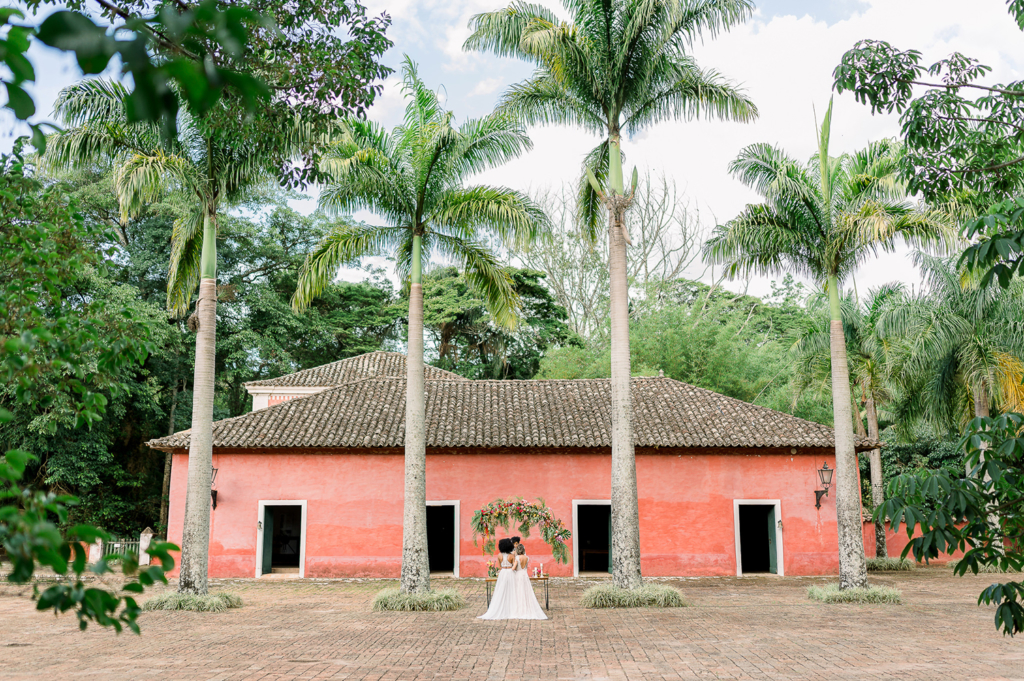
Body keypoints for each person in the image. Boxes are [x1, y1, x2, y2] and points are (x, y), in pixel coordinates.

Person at [477, 538, 517, 620]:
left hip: (503, 572)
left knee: (502, 589)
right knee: (511, 589)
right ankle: (511, 608)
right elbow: (514, 566)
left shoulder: (499, 555)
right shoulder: (512, 556)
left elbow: (499, 567)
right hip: (510, 572)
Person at [510, 542, 547, 619]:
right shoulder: (527, 558)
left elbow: (513, 568)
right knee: (526, 591)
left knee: (518, 592)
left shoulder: (517, 558)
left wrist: (509, 569)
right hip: (525, 575)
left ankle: (519, 609)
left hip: (518, 575)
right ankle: (526, 607)